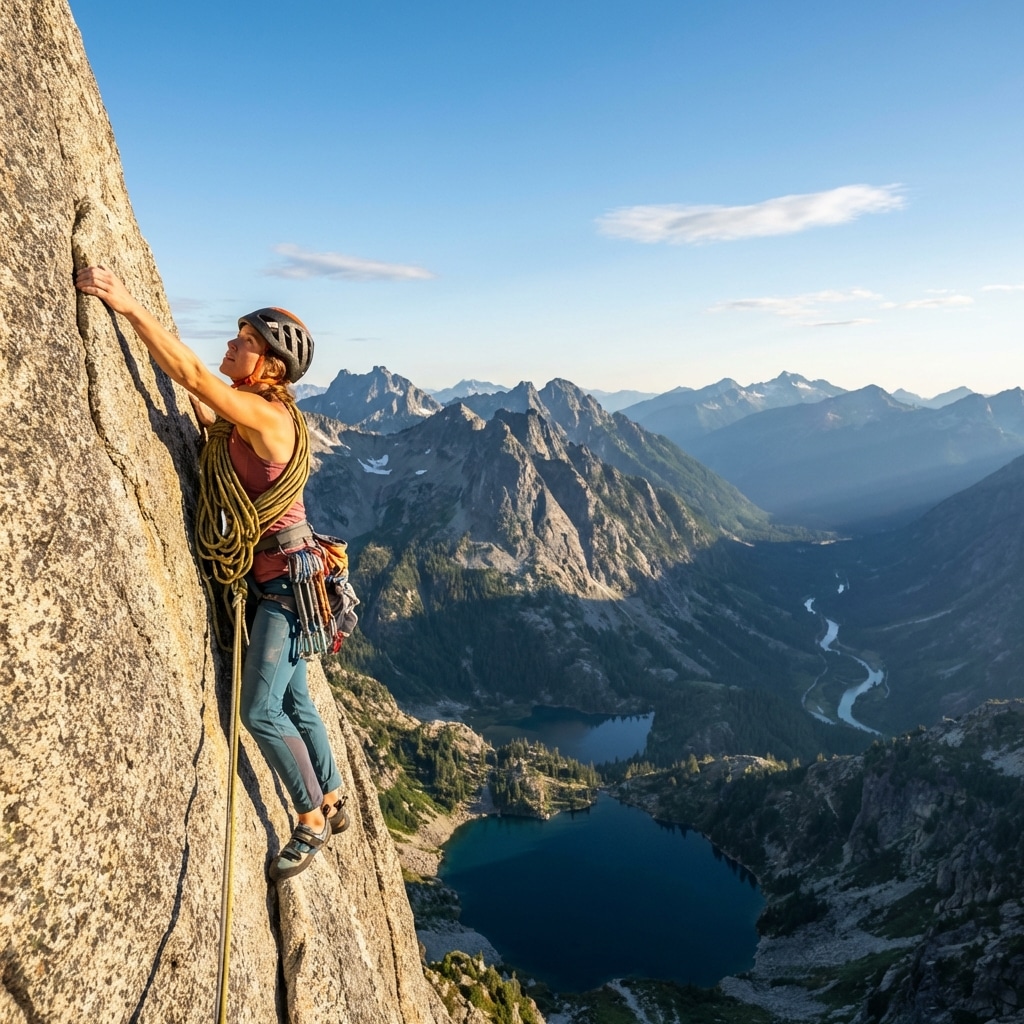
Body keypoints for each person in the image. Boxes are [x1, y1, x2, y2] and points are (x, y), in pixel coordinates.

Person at [75, 265, 347, 881]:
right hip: (289, 580)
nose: (229, 345)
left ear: (269, 365)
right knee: (297, 696)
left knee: (259, 711)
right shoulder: (249, 417)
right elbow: (205, 408)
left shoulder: (269, 420)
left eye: (242, 340)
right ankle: (333, 791)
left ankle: (310, 819)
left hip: (286, 587)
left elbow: (194, 377)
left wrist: (126, 304)